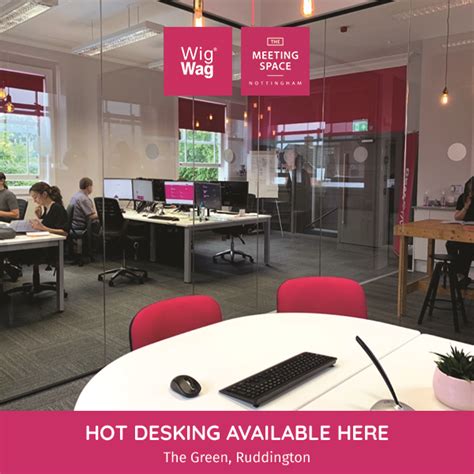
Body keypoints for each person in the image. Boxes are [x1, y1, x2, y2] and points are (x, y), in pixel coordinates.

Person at [446, 177, 474, 288]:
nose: (470, 193)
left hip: (472, 236)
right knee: (450, 244)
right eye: (469, 190)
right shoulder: (463, 198)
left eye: (472, 190)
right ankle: (459, 274)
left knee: (467, 248)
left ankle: (461, 275)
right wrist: (466, 207)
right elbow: (457, 217)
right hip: (463, 231)